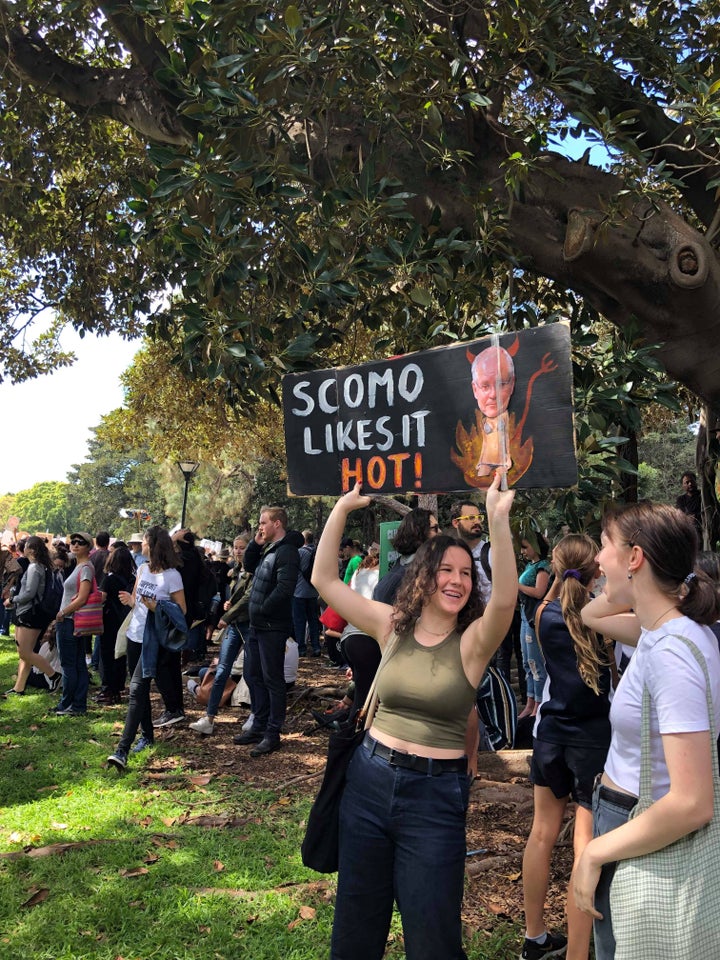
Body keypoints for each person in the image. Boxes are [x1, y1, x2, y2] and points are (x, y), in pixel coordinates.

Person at [311, 473, 517, 960]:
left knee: (433, 937)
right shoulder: (391, 626)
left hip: (434, 797)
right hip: (368, 780)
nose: (457, 580)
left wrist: (497, 518)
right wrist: (342, 510)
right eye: (447, 569)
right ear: (424, 575)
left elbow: (505, 600)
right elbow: (323, 580)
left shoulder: (472, 644)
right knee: (356, 928)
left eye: (466, 573)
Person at [573, 501, 720, 960]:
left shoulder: (670, 651)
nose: (597, 561)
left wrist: (594, 853)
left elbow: (693, 802)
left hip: (641, 826)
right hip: (630, 819)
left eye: (604, 547)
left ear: (634, 558)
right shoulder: (664, 631)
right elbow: (592, 616)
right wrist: (630, 589)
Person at [520, 534, 611, 960]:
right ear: (594, 570)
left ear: (554, 570)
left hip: (550, 735)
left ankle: (534, 937)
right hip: (592, 739)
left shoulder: (542, 614)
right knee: (584, 845)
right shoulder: (604, 615)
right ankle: (577, 953)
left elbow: (562, 593)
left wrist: (562, 579)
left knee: (541, 834)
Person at [107, 526, 186, 770]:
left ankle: (122, 750)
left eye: (143, 540)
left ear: (153, 544)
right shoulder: (141, 569)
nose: (140, 543)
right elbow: (135, 600)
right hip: (134, 635)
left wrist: (157, 608)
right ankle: (147, 736)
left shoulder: (172, 576)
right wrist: (130, 601)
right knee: (138, 691)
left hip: (154, 640)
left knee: (136, 689)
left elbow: (182, 612)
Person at [234, 506, 301, 756]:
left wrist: (262, 608)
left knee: (273, 680)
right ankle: (258, 725)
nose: (260, 527)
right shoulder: (268, 548)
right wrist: (255, 543)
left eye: (263, 523)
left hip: (273, 626)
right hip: (257, 625)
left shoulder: (287, 552)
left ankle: (273, 733)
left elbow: (285, 588)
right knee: (253, 675)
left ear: (277, 524)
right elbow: (249, 566)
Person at [190, 536, 251, 736]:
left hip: (248, 624)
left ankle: (256, 716)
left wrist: (227, 614)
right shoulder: (234, 571)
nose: (238, 551)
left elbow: (248, 598)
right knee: (221, 669)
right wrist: (228, 605)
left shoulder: (253, 570)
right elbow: (236, 597)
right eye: (236, 547)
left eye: (242, 548)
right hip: (234, 625)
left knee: (252, 672)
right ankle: (209, 717)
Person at [2, 536, 62, 696]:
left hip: (31, 614)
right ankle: (19, 687)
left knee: (25, 653)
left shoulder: (35, 567)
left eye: (27, 546)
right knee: (24, 653)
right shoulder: (37, 566)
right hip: (26, 612)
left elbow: (29, 593)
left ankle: (54, 676)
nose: (24, 548)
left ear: (32, 550)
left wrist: (12, 599)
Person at [54, 531, 96, 715]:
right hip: (71, 620)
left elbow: (83, 597)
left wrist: (63, 612)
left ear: (89, 546)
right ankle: (76, 704)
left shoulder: (85, 567)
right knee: (77, 663)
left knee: (69, 664)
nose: (75, 544)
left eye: (81, 542)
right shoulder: (79, 566)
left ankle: (69, 703)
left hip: (70, 620)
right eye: (73, 541)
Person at [372, 508, 439, 605]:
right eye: (435, 529)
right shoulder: (412, 574)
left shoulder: (399, 566)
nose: (440, 532)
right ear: (419, 532)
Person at [518, 531, 551, 719]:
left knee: (535, 662)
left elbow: (539, 592)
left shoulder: (542, 566)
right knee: (526, 662)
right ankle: (530, 703)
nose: (523, 551)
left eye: (525, 547)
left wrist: (517, 586)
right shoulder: (531, 565)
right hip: (524, 615)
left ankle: (539, 702)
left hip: (533, 617)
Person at [96, 546, 135, 704]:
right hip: (126, 619)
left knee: (106, 655)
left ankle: (107, 689)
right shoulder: (133, 579)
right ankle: (118, 687)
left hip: (110, 619)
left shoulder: (109, 579)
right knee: (120, 654)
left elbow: (102, 598)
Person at [470, 344, 515, 477]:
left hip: (502, 461)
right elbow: (485, 443)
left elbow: (506, 439)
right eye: (485, 386)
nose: (493, 394)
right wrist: (481, 461)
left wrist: (507, 458)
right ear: (475, 390)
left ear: (512, 385)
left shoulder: (506, 418)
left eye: (501, 384)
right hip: (486, 460)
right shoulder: (484, 421)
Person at [293, 529, 321, 656]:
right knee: (313, 621)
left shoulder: (299, 552)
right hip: (313, 592)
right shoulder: (318, 552)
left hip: (299, 592)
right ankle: (316, 647)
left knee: (299, 621)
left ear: (303, 540)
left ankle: (301, 648)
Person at [675, 470, 702, 534]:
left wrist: (695, 517)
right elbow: (679, 516)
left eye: (692, 481)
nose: (690, 484)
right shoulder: (680, 500)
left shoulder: (703, 496)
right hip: (687, 532)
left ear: (695, 482)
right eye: (687, 482)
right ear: (683, 485)